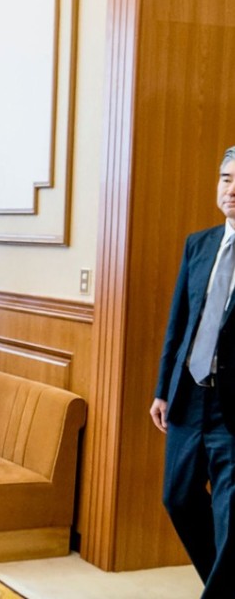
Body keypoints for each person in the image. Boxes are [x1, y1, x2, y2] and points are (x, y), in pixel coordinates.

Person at [152, 145, 235, 598]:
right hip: (189, 396)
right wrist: (163, 389)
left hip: (232, 411)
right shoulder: (200, 243)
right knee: (179, 499)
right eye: (225, 178)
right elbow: (179, 322)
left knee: (230, 515)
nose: (231, 189)